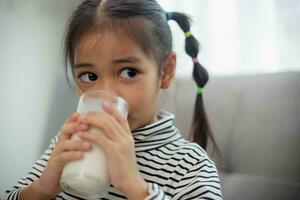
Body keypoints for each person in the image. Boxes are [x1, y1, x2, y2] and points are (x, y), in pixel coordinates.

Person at [4, 0, 222, 199]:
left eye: (128, 72)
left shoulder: (190, 164)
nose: (106, 96)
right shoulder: (70, 144)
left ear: (165, 71)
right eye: (89, 76)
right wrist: (41, 190)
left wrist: (134, 186)